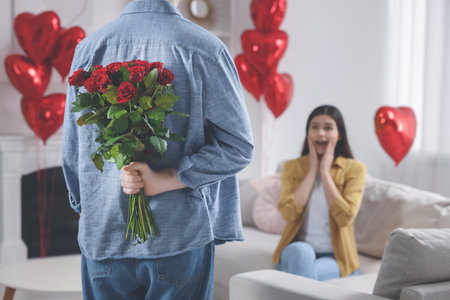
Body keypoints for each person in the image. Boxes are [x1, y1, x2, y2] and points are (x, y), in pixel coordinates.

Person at [61, 0, 254, 299]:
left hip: (104, 236)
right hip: (179, 238)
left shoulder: (89, 49)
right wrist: (167, 179)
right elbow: (238, 146)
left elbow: (73, 151)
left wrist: (91, 211)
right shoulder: (205, 48)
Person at [272, 105, 366, 281]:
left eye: (328, 128)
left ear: (340, 135)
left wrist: (324, 173)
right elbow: (288, 213)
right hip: (296, 251)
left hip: (336, 257)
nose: (321, 133)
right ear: (308, 134)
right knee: (301, 252)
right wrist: (312, 170)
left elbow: (345, 217)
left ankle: (288, 281)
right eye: (314, 127)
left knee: (299, 274)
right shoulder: (292, 167)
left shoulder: (355, 169)